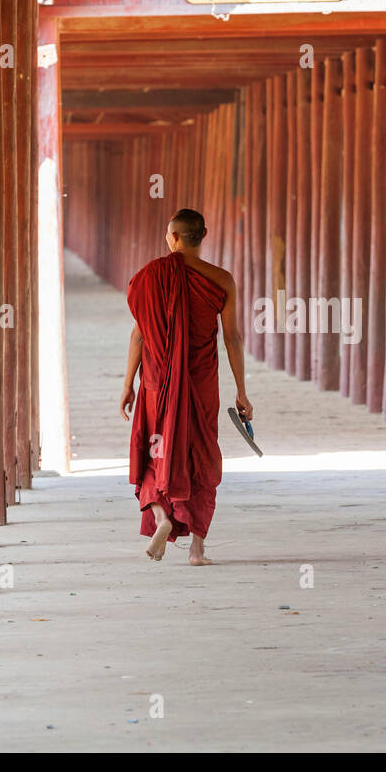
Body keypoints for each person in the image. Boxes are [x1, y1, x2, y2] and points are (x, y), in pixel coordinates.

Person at [120, 208, 252, 565]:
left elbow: (138, 335)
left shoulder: (149, 276)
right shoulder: (222, 280)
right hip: (200, 383)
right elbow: (233, 339)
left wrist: (128, 384)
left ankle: (162, 518)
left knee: (155, 448)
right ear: (202, 235)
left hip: (156, 383)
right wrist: (242, 390)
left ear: (173, 238)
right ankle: (196, 549)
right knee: (200, 453)